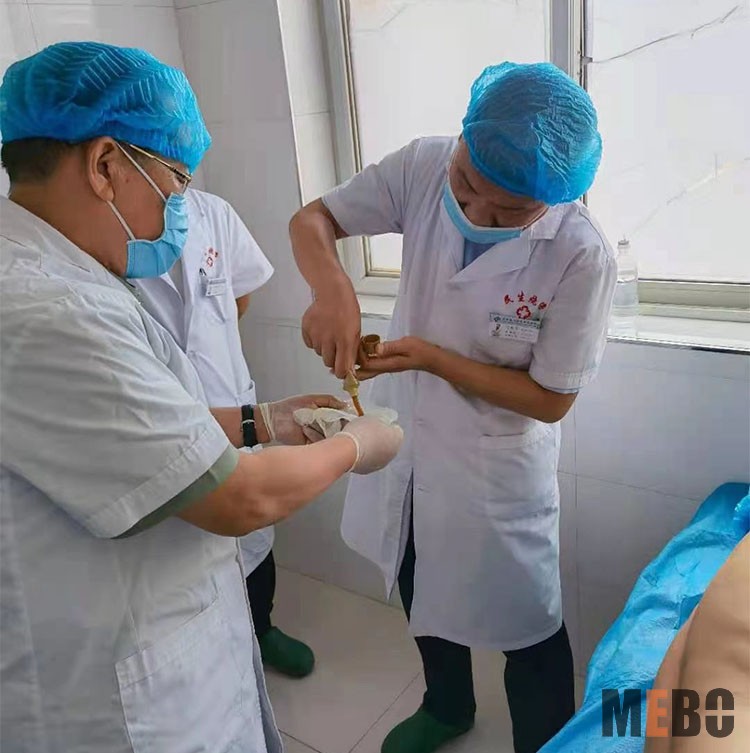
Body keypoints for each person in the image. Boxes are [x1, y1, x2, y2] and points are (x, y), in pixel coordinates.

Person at [0, 41, 403, 752]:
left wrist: (262, 420)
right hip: (121, 701)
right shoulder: (48, 310)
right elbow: (236, 498)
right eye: (175, 183)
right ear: (105, 165)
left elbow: (142, 434)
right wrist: (356, 445)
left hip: (148, 639)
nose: (181, 209)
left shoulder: (62, 275)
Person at [289, 62, 616, 753]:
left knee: (529, 624)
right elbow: (313, 219)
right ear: (462, 139)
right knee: (419, 572)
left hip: (497, 467)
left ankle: (547, 743)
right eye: (466, 186)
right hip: (408, 440)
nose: (475, 213)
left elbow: (552, 400)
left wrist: (433, 359)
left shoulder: (580, 254)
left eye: (508, 213)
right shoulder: (424, 165)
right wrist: (332, 289)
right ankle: (447, 705)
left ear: (553, 200)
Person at [134, 188, 316, 678]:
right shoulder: (99, 230)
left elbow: (239, 295)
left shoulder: (212, 212)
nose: (177, 179)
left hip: (231, 397)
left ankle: (263, 630)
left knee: (254, 540)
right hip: (160, 416)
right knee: (185, 543)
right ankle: (216, 653)